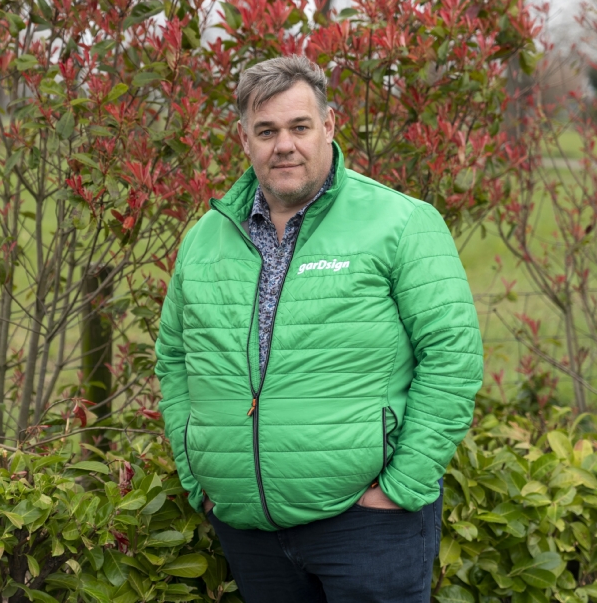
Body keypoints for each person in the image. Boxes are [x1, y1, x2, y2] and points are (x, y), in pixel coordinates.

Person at [154, 55, 483, 602]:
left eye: (299, 127)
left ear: (328, 126)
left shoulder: (401, 223)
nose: (284, 145)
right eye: (266, 131)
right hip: (249, 528)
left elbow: (452, 356)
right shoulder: (204, 240)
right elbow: (172, 359)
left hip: (368, 524)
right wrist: (199, 477)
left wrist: (402, 486)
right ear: (244, 140)